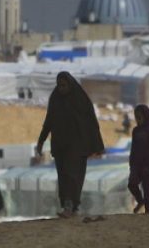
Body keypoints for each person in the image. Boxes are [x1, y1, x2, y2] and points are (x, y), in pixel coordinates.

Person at [36, 71, 105, 218]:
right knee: (63, 176)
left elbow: (92, 122)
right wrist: (40, 142)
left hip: (78, 145)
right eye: (59, 85)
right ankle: (69, 206)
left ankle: (70, 205)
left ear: (70, 84)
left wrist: (97, 146)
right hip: (60, 145)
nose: (61, 88)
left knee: (73, 175)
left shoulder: (80, 98)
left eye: (64, 85)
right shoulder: (55, 98)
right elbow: (48, 121)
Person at [128, 104, 149, 214]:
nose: (137, 119)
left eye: (139, 117)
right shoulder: (135, 131)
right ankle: (140, 201)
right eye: (136, 117)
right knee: (132, 184)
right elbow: (133, 148)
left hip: (148, 163)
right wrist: (131, 163)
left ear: (145, 116)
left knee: (147, 187)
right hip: (136, 163)